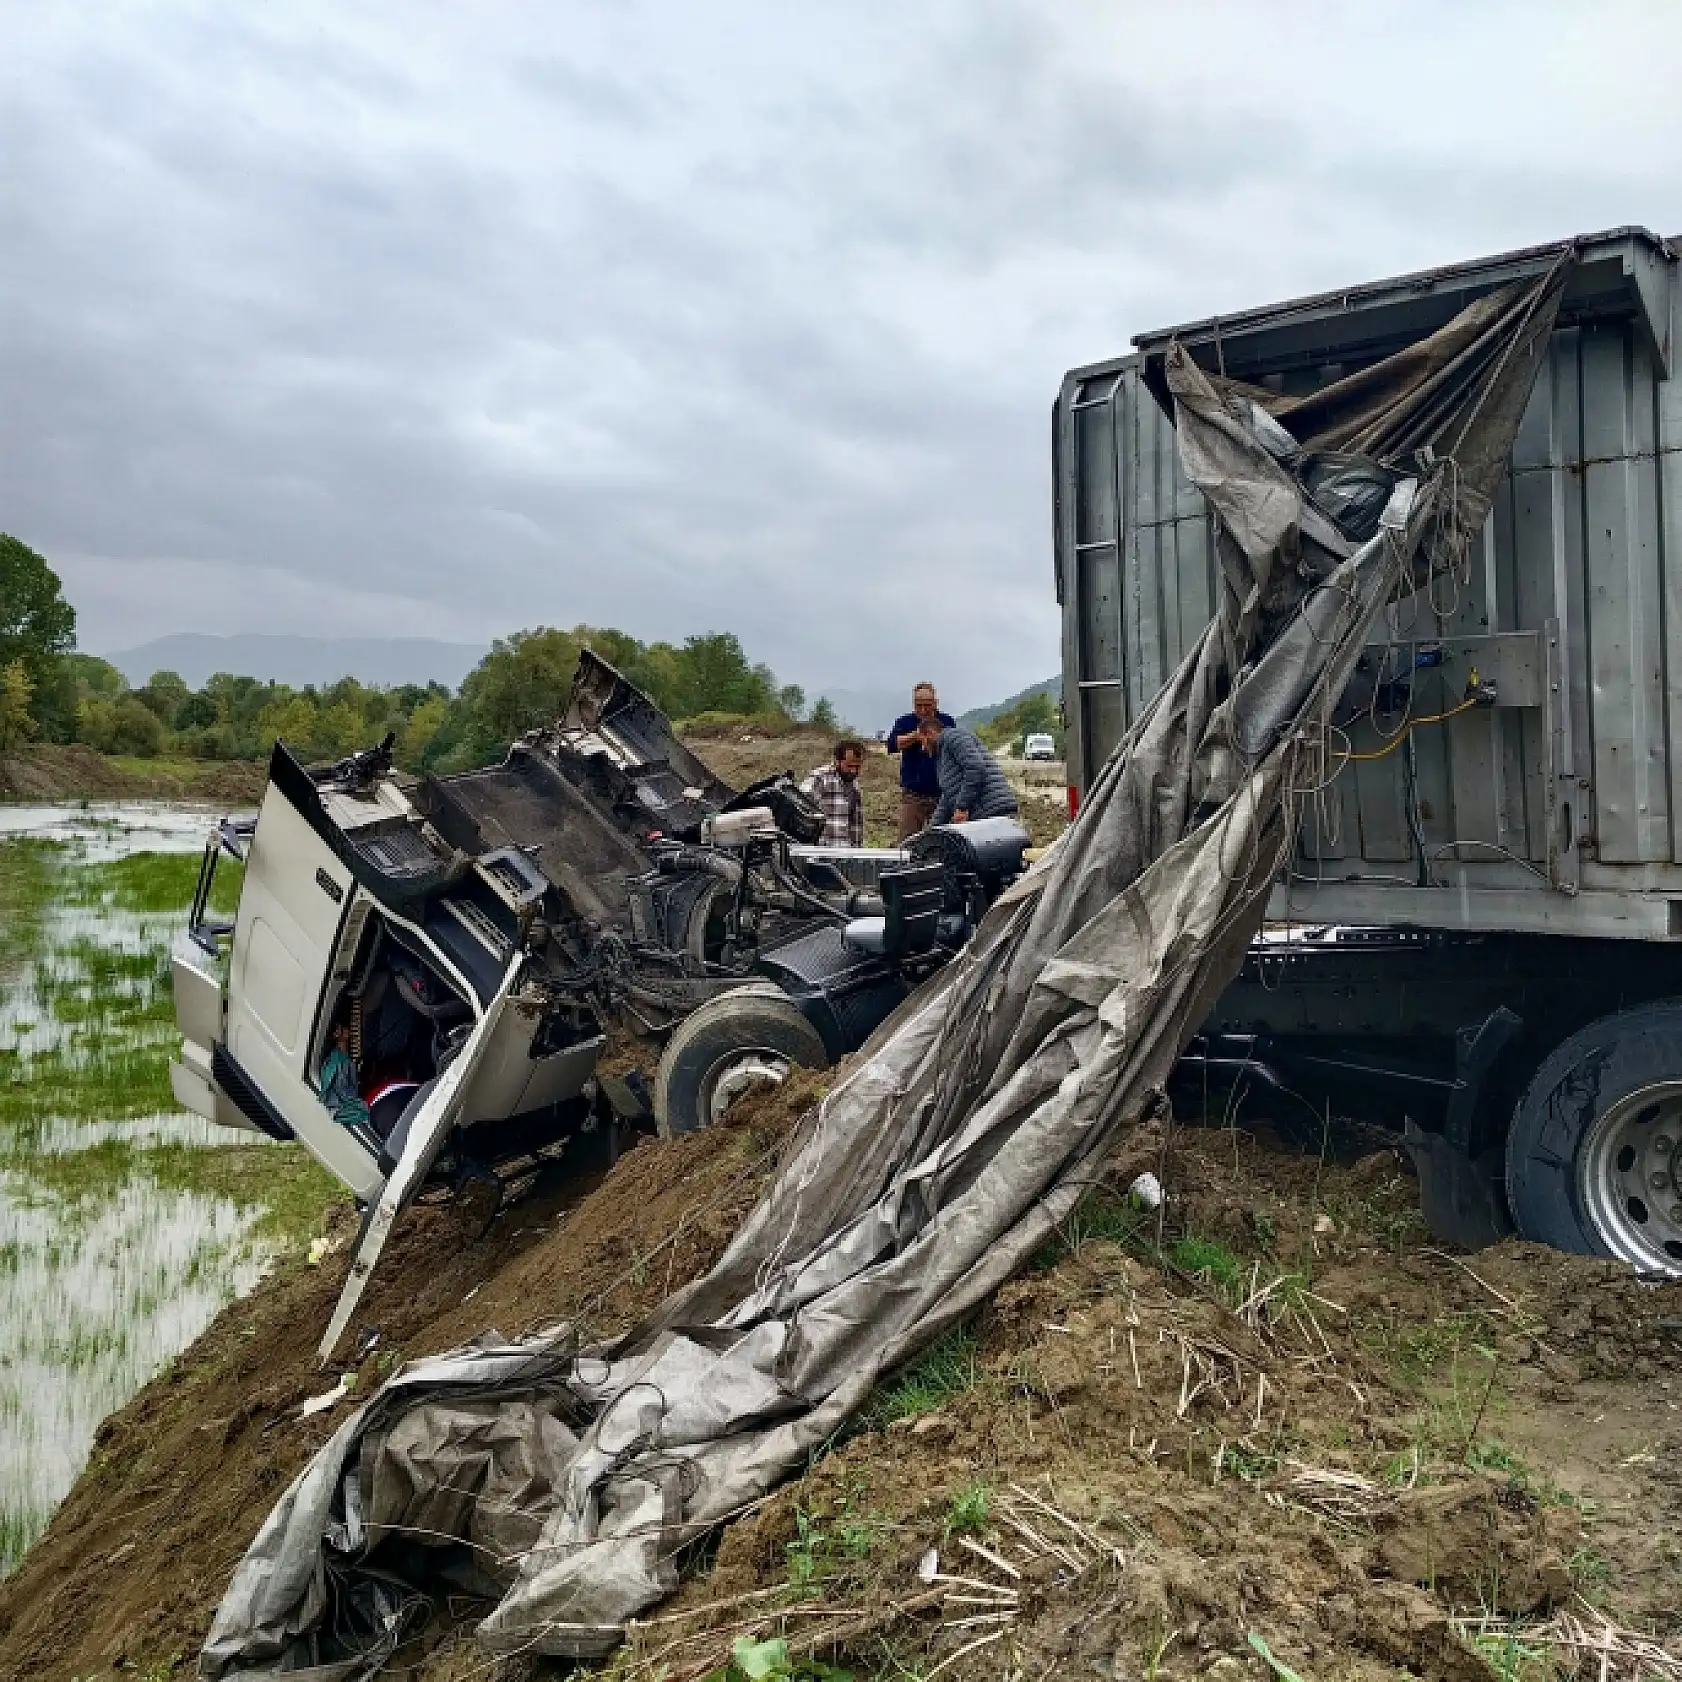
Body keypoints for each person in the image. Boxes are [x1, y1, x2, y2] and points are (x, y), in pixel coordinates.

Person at [917, 714, 1019, 826]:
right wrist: (931, 830)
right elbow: (947, 798)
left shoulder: (954, 736)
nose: (923, 747)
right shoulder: (942, 755)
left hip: (993, 812)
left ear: (929, 733)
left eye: (922, 741)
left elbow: (975, 768)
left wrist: (962, 807)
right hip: (984, 815)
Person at [885, 682, 954, 841]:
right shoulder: (905, 722)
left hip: (942, 795)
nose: (923, 710)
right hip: (913, 795)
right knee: (907, 841)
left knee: (942, 841)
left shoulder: (947, 721)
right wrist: (915, 736)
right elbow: (892, 745)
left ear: (935, 703)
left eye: (927, 705)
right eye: (918, 705)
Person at [800, 738, 865, 848]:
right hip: (821, 850)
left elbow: (855, 825)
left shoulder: (854, 786)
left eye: (857, 766)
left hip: (845, 851)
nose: (853, 771)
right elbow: (800, 805)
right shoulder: (820, 778)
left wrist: (857, 850)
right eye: (849, 766)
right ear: (837, 761)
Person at [319, 1015, 372, 1130]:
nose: (346, 1029)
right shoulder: (336, 1063)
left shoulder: (344, 1058)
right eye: (340, 1028)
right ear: (335, 1035)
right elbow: (341, 1098)